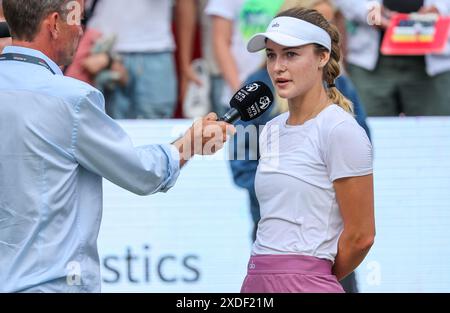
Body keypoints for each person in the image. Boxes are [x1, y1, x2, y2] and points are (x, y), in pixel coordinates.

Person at [0, 0, 233, 292]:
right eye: (78, 20)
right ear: (55, 23)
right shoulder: (72, 100)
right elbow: (145, 173)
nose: (82, 30)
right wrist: (191, 143)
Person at [229, 0, 370, 293]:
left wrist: (311, 276)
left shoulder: (341, 129)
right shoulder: (271, 130)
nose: (278, 67)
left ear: (322, 57)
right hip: (257, 279)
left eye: (291, 54)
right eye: (271, 55)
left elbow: (361, 236)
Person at [335, 0, 450, 116]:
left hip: (433, 62)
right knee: (369, 128)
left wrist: (441, 8)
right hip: (372, 66)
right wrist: (366, 11)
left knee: (434, 128)